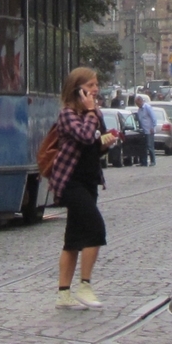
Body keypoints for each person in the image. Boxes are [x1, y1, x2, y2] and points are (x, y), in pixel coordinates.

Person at [49, 67, 117, 310]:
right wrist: (90, 113)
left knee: (73, 239)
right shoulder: (68, 114)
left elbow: (95, 144)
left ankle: (63, 293)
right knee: (96, 229)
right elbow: (85, 136)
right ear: (77, 89)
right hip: (70, 182)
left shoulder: (93, 113)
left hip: (89, 181)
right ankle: (85, 286)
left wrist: (106, 142)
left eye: (96, 85)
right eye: (91, 85)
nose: (95, 89)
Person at [136, 95, 157, 166]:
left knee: (150, 146)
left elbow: (154, 118)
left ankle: (153, 161)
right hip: (143, 131)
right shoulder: (139, 110)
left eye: (138, 103)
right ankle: (143, 162)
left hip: (149, 130)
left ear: (141, 101)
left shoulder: (147, 107)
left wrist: (152, 127)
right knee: (143, 147)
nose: (137, 105)